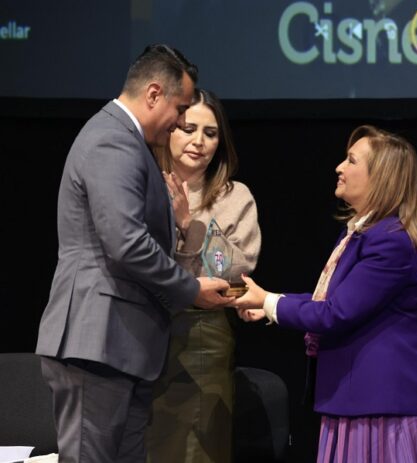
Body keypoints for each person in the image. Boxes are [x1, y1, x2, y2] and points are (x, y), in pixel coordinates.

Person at [35, 45, 236, 462]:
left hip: (120, 347)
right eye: (180, 108)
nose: (182, 122)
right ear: (153, 94)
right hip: (98, 342)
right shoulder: (113, 140)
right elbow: (125, 242)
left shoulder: (125, 141)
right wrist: (190, 288)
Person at [235, 125, 417, 462]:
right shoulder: (363, 235)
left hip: (380, 408)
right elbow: (329, 302)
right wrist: (270, 302)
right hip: (357, 400)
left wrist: (270, 302)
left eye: (351, 160)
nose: (339, 168)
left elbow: (335, 313)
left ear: (381, 177)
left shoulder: (390, 241)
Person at [147, 88, 261, 462]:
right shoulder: (141, 185)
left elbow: (235, 274)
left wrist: (189, 224)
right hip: (140, 331)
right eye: (189, 128)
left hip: (201, 339)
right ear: (169, 131)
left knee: (198, 450)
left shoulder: (234, 196)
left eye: (210, 133)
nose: (199, 141)